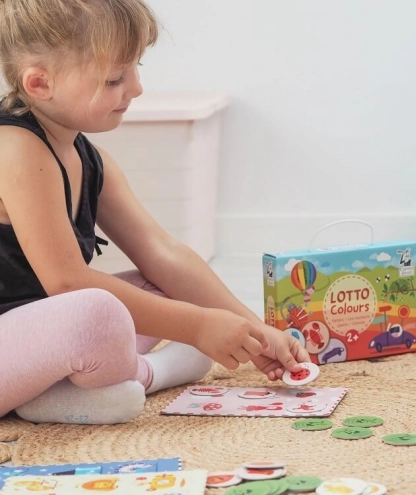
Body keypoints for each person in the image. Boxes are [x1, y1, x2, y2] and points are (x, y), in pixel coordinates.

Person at [0, 0, 309, 425]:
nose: (137, 88)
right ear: (40, 83)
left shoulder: (90, 159)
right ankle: (144, 375)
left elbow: (162, 252)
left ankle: (63, 390)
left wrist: (255, 332)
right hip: (20, 337)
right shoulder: (16, 150)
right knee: (98, 310)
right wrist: (198, 326)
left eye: (135, 69)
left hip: (41, 338)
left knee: (163, 284)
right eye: (115, 79)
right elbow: (66, 281)